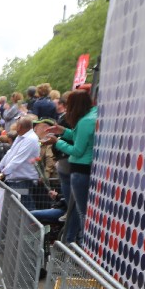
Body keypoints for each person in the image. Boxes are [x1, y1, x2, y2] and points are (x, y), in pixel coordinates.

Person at [48, 90, 96, 244]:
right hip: (84, 170)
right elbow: (81, 138)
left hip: (81, 172)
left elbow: (77, 150)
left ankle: (84, 245)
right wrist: (63, 132)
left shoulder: (85, 122)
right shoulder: (92, 116)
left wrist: (57, 142)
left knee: (83, 213)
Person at [0, 115, 43, 209]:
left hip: (23, 181)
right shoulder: (20, 137)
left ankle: (31, 219)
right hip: (16, 179)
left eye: (17, 124)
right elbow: (9, 154)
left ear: (20, 126)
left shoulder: (31, 139)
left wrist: (1, 175)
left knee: (25, 208)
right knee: (16, 209)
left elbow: (17, 160)